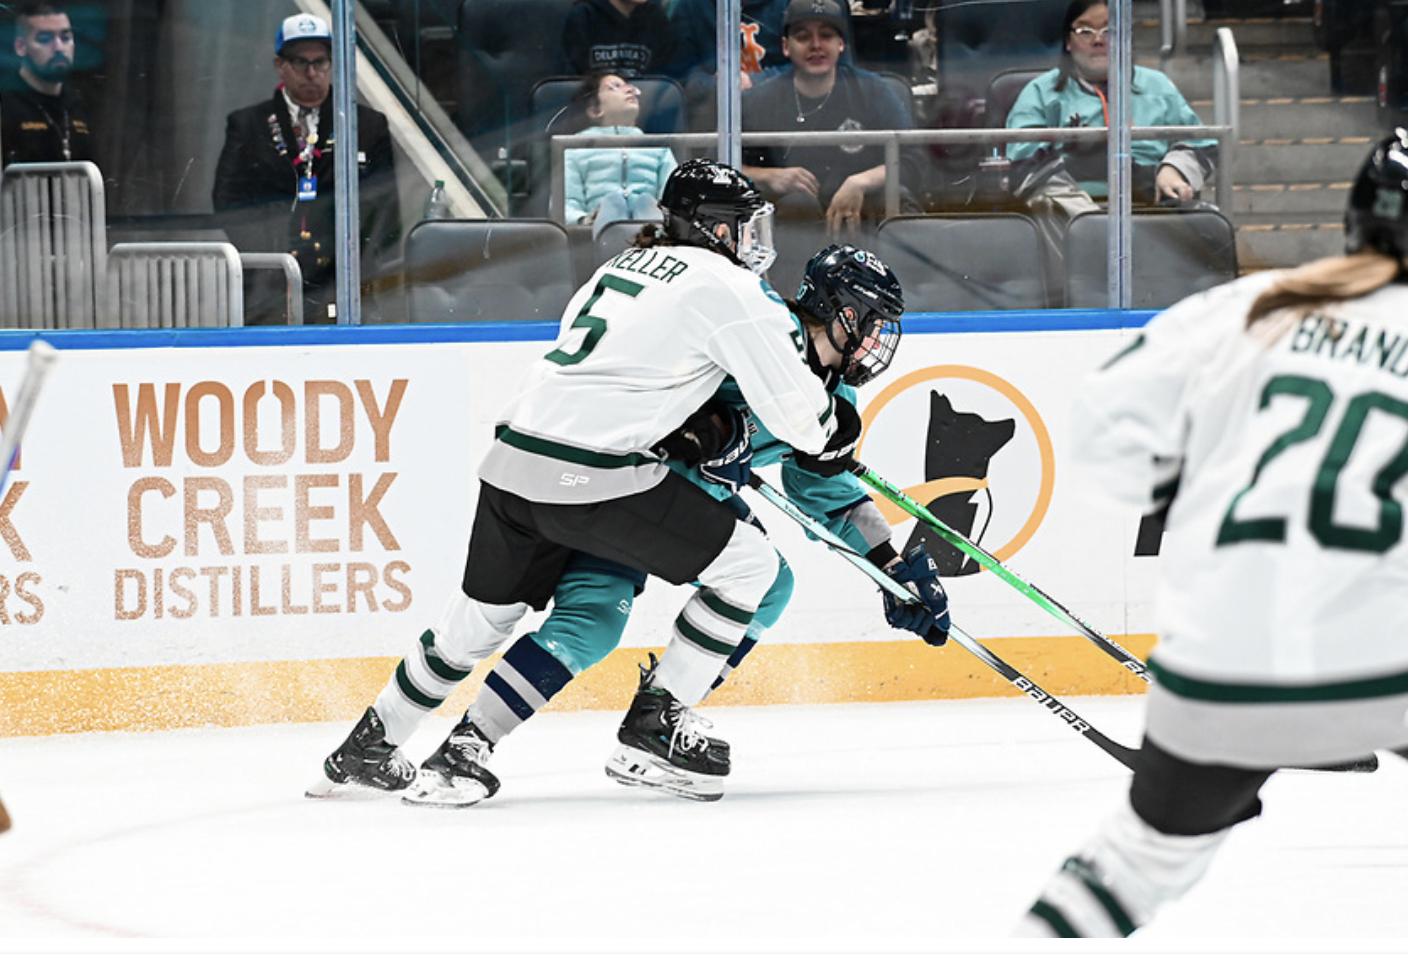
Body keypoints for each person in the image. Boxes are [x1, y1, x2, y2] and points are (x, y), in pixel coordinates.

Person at [307, 159, 868, 806]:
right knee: (753, 569)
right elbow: (802, 420)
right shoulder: (729, 289)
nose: (753, 241)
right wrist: (837, 433)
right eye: (743, 226)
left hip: (513, 460)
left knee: (484, 621)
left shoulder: (619, 267)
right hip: (597, 474)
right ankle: (650, 727)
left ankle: (372, 746)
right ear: (713, 230)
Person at [1013, 130, 1408, 937]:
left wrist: (1202, 503)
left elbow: (1101, 430)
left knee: (1133, 866)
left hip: (1226, 647)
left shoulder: (1255, 303)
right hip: (1385, 645)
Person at [211, 13, 401, 325]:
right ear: (279, 65)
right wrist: (273, 254)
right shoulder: (248, 125)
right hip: (269, 280)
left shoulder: (365, 125)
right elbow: (228, 200)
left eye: (321, 62)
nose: (312, 73)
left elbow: (386, 205)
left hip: (343, 281)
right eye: (301, 62)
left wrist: (351, 256)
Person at [1004, 0, 1218, 207]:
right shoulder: (1041, 92)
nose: (1098, 40)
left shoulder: (1157, 86)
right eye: (1085, 31)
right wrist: (1079, 202)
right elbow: (1024, 163)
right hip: (1068, 209)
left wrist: (1174, 170)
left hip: (1152, 203)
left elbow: (1202, 145)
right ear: (1068, 42)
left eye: (1110, 30)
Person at [740, 0, 914, 237]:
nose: (816, 46)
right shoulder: (759, 100)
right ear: (785, 46)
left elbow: (913, 161)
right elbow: (721, 162)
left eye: (826, 36)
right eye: (803, 37)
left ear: (841, 44)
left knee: (897, 196)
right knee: (797, 204)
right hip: (793, 225)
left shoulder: (873, 90)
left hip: (862, 220)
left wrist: (861, 182)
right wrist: (769, 177)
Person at [561, 71, 678, 237]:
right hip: (595, 233)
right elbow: (565, 203)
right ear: (595, 110)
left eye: (630, 87)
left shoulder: (656, 145)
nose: (629, 91)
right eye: (615, 87)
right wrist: (584, 220)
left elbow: (674, 197)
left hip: (650, 228)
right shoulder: (576, 147)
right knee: (612, 203)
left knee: (646, 203)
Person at [669, 0, 792, 130]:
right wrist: (716, 84)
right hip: (711, 120)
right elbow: (677, 79)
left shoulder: (786, 5)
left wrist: (755, 81)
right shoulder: (691, 7)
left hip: (777, 117)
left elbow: (804, 69)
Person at [0, 1, 94, 168]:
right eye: (45, 39)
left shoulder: (77, 103)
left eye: (65, 37)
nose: (58, 47)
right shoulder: (6, 103)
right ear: (20, 46)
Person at [561, 0, 681, 79]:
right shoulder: (583, 16)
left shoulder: (656, 18)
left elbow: (666, 80)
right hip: (593, 110)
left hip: (644, 110)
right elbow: (571, 81)